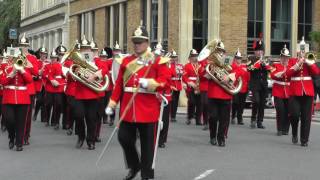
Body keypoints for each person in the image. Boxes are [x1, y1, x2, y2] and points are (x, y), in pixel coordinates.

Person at [105, 24, 170, 180]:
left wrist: (150, 83)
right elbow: (119, 84)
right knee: (124, 138)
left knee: (148, 145)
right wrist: (112, 103)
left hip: (148, 110)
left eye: (140, 41)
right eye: (135, 41)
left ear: (147, 43)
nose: (137, 44)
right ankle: (135, 165)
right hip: (128, 110)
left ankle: (147, 175)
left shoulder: (157, 60)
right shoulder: (126, 61)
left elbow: (165, 82)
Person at [200, 39, 241, 147]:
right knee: (213, 117)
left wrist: (230, 76)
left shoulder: (228, 60)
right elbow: (201, 74)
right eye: (217, 50)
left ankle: (221, 138)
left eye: (221, 51)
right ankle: (212, 136)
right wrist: (206, 74)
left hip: (226, 94)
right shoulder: (210, 63)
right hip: (213, 94)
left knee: (224, 118)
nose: (219, 53)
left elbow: (238, 70)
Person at [73, 35, 108, 150]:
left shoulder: (97, 61)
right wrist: (77, 71)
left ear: (90, 50)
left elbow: (105, 69)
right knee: (78, 115)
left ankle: (91, 140)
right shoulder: (77, 60)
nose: (85, 50)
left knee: (91, 118)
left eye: (87, 48)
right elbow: (71, 72)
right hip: (79, 93)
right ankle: (81, 136)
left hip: (93, 94)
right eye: (83, 48)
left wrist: (95, 75)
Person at [285, 39, 320, 146]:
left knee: (306, 117)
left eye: (304, 50)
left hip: (308, 92)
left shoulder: (310, 59)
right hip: (295, 92)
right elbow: (288, 74)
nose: (302, 52)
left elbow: (316, 72)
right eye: (300, 50)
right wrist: (297, 64)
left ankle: (304, 140)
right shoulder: (292, 61)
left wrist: (308, 63)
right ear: (297, 51)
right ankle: (294, 132)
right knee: (294, 115)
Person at [1, 47, 33, 151]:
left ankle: (19, 144)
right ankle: (11, 137)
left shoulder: (23, 66)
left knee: (21, 121)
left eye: (15, 57)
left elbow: (29, 80)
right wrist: (12, 73)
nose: (13, 58)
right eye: (12, 56)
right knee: (9, 120)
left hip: (22, 98)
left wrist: (22, 70)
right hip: (8, 97)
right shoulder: (4, 67)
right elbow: (3, 82)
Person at [19, 33, 39, 145]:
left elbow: (36, 73)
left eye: (25, 45)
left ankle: (26, 135)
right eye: (22, 45)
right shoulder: (15, 56)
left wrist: (29, 64)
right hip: (17, 88)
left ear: (28, 46)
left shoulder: (32, 58)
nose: (24, 47)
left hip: (29, 89)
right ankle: (18, 134)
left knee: (26, 115)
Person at [248, 38, 272, 129]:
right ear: (255, 51)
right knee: (256, 101)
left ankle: (260, 121)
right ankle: (253, 118)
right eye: (258, 50)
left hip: (263, 85)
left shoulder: (267, 59)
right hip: (255, 84)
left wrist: (265, 64)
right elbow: (249, 69)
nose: (259, 52)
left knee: (262, 103)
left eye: (261, 50)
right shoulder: (251, 58)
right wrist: (258, 64)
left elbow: (271, 70)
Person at [270, 45, 291, 136]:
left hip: (289, 91)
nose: (285, 59)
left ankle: (286, 129)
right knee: (280, 110)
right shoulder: (276, 65)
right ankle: (279, 129)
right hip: (278, 91)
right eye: (283, 57)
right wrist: (283, 72)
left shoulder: (291, 66)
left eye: (287, 57)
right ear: (281, 57)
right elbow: (273, 75)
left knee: (289, 111)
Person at [42, 50, 65, 129]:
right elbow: (45, 74)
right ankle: (48, 120)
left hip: (58, 87)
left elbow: (63, 75)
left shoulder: (60, 65)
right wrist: (51, 80)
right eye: (52, 58)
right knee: (48, 105)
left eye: (55, 58)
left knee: (58, 105)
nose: (53, 59)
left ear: (57, 58)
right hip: (50, 88)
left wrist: (65, 77)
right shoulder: (47, 66)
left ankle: (56, 122)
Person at [182, 49, 202, 125]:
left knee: (199, 103)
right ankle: (190, 117)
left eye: (196, 56)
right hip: (191, 86)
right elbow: (184, 76)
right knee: (192, 102)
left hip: (199, 86)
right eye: (193, 56)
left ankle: (198, 119)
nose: (195, 57)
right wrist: (188, 82)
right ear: (190, 57)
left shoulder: (200, 65)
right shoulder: (187, 66)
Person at [231, 49, 250, 125]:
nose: (239, 60)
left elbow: (248, 76)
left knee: (242, 104)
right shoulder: (232, 66)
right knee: (235, 102)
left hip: (244, 87)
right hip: (235, 87)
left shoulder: (244, 66)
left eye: (240, 58)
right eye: (237, 58)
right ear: (235, 58)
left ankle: (240, 117)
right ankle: (233, 116)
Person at [33, 47, 48, 123]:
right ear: (40, 54)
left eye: (44, 54)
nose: (43, 55)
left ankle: (43, 118)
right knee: (39, 100)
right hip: (38, 83)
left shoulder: (48, 62)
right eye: (42, 53)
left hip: (46, 83)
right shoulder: (37, 61)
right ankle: (35, 113)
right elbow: (35, 71)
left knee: (45, 101)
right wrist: (39, 72)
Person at [169, 50, 183, 123]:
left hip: (178, 85)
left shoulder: (180, 65)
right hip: (172, 85)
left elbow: (181, 73)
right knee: (172, 101)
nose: (174, 58)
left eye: (175, 57)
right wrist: (170, 85)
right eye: (173, 57)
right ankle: (172, 115)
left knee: (176, 101)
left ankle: (173, 115)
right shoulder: (168, 65)